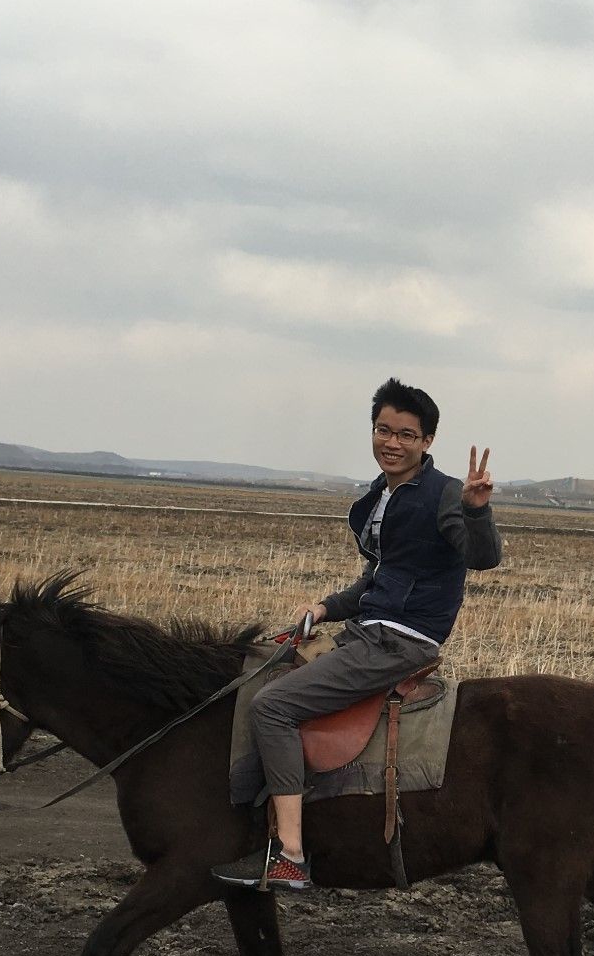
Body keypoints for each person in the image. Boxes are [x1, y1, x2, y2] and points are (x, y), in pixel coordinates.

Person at [214, 377, 502, 890]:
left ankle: (291, 856)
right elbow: (380, 579)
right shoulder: (380, 497)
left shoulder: (444, 496)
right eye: (382, 430)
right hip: (366, 630)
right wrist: (324, 608)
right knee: (259, 668)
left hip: (399, 641)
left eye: (406, 435)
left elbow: (481, 558)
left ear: (427, 442)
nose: (392, 443)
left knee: (273, 707)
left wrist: (477, 511)